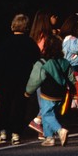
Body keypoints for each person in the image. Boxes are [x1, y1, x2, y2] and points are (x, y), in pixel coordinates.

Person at [0, 14, 40, 146]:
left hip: (6, 79)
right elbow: (37, 61)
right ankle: (16, 133)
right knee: (20, 106)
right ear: (26, 27)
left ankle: (2, 131)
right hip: (24, 79)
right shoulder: (30, 43)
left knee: (4, 105)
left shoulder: (6, 43)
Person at [24, 35, 76, 147]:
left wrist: (28, 92)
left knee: (46, 114)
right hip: (61, 93)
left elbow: (35, 79)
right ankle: (49, 137)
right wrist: (74, 91)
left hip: (47, 93)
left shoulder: (42, 63)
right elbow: (72, 78)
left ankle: (60, 130)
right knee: (52, 114)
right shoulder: (65, 62)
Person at [28, 9, 56, 137]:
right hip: (46, 69)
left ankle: (43, 131)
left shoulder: (33, 36)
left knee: (43, 100)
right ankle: (37, 121)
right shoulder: (45, 36)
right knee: (48, 101)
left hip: (36, 70)